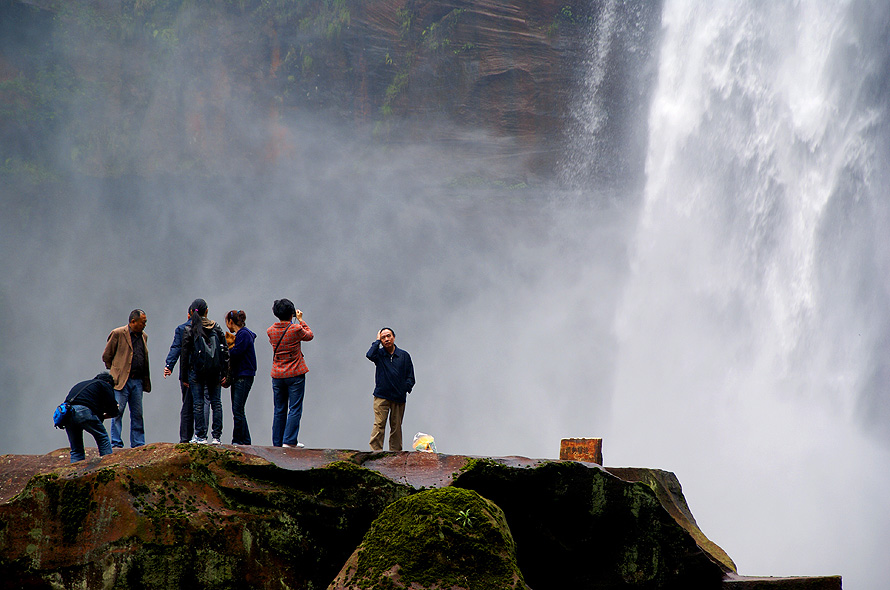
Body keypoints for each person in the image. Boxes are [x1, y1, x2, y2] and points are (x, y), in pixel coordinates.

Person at [181, 298, 229, 444]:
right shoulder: (216, 327)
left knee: (198, 403)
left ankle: (200, 436)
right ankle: (216, 437)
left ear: (191, 312)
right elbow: (225, 351)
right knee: (216, 403)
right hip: (215, 372)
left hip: (196, 372)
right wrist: (225, 373)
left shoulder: (190, 329)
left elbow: (184, 354)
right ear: (206, 311)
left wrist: (184, 376)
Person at [267, 298, 313, 448]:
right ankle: (289, 440)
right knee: (294, 408)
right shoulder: (296, 329)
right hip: (295, 374)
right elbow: (309, 335)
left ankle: (277, 442)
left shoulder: (270, 331)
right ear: (292, 313)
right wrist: (300, 320)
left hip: (277, 375)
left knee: (279, 409)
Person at [102, 309, 151, 448]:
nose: (145, 325)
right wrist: (116, 371)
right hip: (121, 381)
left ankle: (138, 443)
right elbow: (107, 355)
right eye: (143, 322)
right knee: (116, 412)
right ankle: (116, 443)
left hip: (137, 381)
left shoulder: (144, 336)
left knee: (137, 414)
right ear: (133, 321)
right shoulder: (118, 333)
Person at [367, 327, 415, 451]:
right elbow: (369, 355)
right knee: (379, 424)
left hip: (398, 397)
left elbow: (410, 376)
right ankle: (375, 453)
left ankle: (396, 454)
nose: (386, 339)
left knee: (396, 427)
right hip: (381, 396)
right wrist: (376, 341)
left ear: (394, 337)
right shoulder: (379, 354)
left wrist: (405, 388)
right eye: (383, 338)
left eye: (388, 336)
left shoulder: (403, 355)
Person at [63, 372, 119, 463]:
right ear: (109, 383)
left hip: (67, 414)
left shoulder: (84, 385)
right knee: (102, 438)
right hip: (83, 411)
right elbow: (112, 409)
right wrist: (114, 410)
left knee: (76, 449)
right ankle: (107, 465)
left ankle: (74, 473)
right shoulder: (105, 384)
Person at [163, 308, 196, 443]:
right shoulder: (209, 328)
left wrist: (169, 365)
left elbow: (176, 348)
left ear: (188, 314)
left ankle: (185, 438)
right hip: (204, 373)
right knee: (201, 405)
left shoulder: (182, 329)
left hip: (187, 373)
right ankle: (200, 437)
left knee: (187, 405)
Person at [225, 309, 257, 445]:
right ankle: (245, 440)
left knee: (238, 409)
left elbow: (237, 353)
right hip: (241, 375)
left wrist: (227, 349)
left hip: (244, 375)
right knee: (238, 409)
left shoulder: (243, 334)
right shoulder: (243, 334)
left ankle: (238, 440)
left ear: (231, 322)